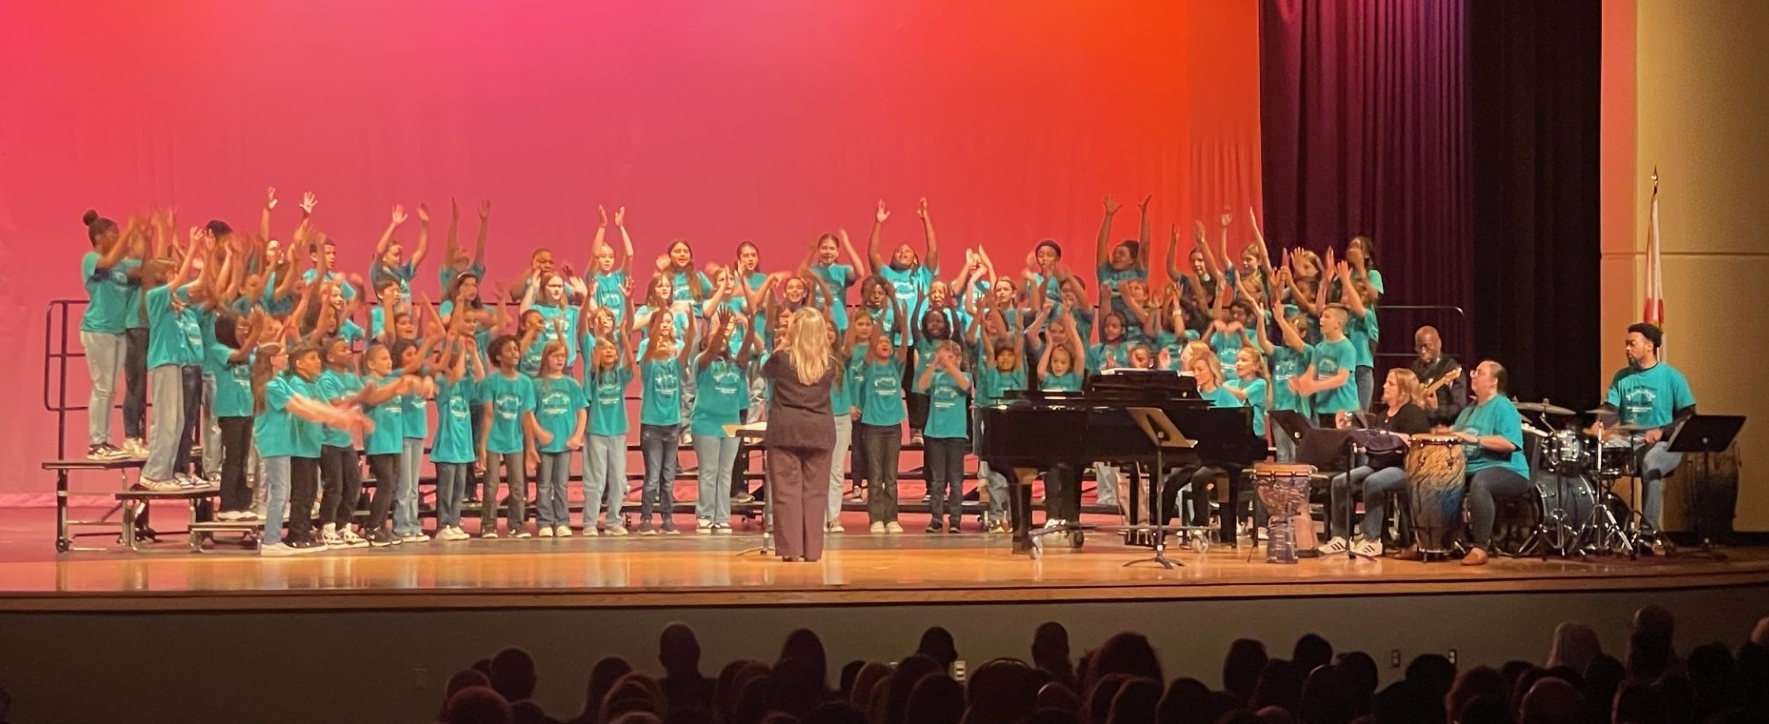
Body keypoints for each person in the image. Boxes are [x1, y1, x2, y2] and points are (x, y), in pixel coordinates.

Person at [1591, 322, 1695, 540]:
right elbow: (1610, 408)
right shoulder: (1622, 377)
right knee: (1591, 457)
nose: (1627, 349)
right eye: (1626, 344)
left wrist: (1662, 431)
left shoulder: (1672, 377)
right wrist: (1601, 423)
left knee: (1651, 464)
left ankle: (1648, 533)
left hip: (1664, 444)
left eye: (1632, 344)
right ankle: (1598, 525)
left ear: (1649, 346)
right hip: (1630, 441)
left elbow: (1688, 414)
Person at [1321, 369, 1432, 557]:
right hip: (1377, 464)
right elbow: (1374, 446)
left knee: (1374, 482)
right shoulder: (1382, 415)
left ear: (1404, 391)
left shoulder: (1412, 413)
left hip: (1403, 467)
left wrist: (1385, 436)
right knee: (1340, 481)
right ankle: (1340, 537)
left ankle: (1372, 540)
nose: (1384, 386)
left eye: (1391, 383)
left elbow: (1414, 441)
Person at [762, 308, 839, 562]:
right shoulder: (830, 364)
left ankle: (791, 550)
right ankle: (812, 551)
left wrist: (784, 342)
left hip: (786, 429)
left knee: (786, 492)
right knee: (816, 493)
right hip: (819, 431)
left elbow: (765, 371)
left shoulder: (782, 359)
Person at [1455, 360, 1532, 566]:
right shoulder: (1467, 411)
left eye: (1479, 373)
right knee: (1436, 481)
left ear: (1493, 382)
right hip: (1471, 468)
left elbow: (1510, 443)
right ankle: (1433, 541)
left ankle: (1480, 547)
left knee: (1481, 482)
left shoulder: (1503, 406)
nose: (1473, 376)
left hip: (1509, 470)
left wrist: (1477, 439)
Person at [79, 211, 137, 461]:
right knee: (102, 386)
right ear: (99, 237)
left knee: (112, 388)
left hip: (117, 330)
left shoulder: (122, 265)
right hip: (97, 329)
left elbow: (145, 266)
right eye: (114, 233)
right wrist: (131, 231)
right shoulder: (91, 258)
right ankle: (95, 442)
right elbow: (110, 259)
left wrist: (149, 233)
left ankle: (105, 440)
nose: (119, 237)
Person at [1409, 326, 1465, 426]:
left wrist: (1437, 409)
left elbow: (1460, 406)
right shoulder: (1415, 366)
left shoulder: (1450, 368)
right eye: (1419, 347)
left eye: (1427, 346)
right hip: (1417, 422)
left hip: (1442, 425)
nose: (1423, 351)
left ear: (1439, 344)